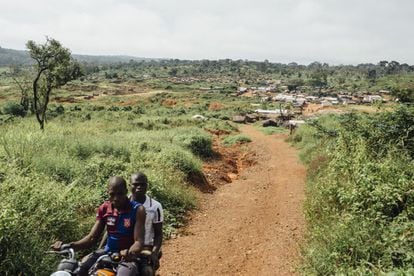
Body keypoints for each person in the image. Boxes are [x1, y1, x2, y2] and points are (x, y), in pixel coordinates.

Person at [51, 176, 146, 276]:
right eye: (112, 194)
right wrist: (69, 246)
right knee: (79, 271)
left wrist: (129, 252)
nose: (116, 198)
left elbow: (138, 241)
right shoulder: (104, 208)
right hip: (106, 252)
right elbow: (92, 238)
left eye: (120, 194)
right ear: (107, 193)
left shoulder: (138, 210)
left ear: (126, 192)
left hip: (127, 257)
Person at [130, 172, 164, 275]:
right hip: (124, 247)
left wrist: (154, 253)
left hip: (145, 248)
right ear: (129, 186)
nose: (139, 187)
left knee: (146, 271)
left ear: (147, 186)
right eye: (135, 184)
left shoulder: (155, 207)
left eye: (142, 184)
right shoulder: (123, 204)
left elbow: (158, 233)